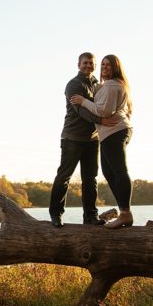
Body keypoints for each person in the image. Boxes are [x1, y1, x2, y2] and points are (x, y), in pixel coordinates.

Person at [48, 52, 112, 227]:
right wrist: (100, 120)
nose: (88, 66)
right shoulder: (73, 85)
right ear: (78, 64)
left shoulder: (97, 85)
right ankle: (56, 214)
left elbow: (102, 107)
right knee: (64, 176)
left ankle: (90, 217)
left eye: (91, 63)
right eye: (85, 63)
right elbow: (82, 111)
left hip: (92, 140)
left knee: (90, 178)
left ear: (95, 65)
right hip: (72, 138)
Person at [70, 54, 133, 229]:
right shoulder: (108, 85)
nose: (104, 67)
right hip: (110, 133)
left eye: (108, 65)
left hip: (114, 131)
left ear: (115, 68)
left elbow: (102, 111)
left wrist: (83, 101)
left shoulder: (112, 86)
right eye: (103, 65)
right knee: (109, 172)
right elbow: (100, 95)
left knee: (119, 171)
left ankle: (125, 213)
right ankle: (124, 213)